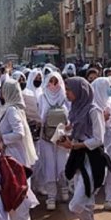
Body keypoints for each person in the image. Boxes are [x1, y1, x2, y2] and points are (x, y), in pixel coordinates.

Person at [60, 77, 108, 220]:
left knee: (76, 204)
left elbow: (98, 139)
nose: (67, 93)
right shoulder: (76, 108)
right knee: (85, 200)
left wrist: (75, 145)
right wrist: (67, 134)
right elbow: (76, 130)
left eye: (69, 90)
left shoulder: (93, 110)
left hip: (92, 159)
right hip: (78, 158)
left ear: (80, 91)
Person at [0, 78, 39, 220]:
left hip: (16, 161)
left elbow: (19, 133)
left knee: (19, 201)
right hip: (10, 159)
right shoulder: (7, 109)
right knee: (16, 200)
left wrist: (2, 140)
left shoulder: (12, 111)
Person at [37, 72, 70, 211]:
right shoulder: (42, 97)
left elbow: (71, 115)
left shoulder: (65, 97)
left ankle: (64, 189)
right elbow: (39, 115)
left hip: (62, 137)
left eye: (56, 82)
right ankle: (51, 196)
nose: (54, 85)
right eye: (51, 81)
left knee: (62, 165)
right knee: (49, 166)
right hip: (47, 137)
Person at [92, 76, 111, 213]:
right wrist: (100, 119)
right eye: (108, 86)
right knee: (96, 172)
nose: (110, 89)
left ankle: (110, 199)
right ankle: (89, 199)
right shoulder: (91, 106)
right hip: (96, 144)